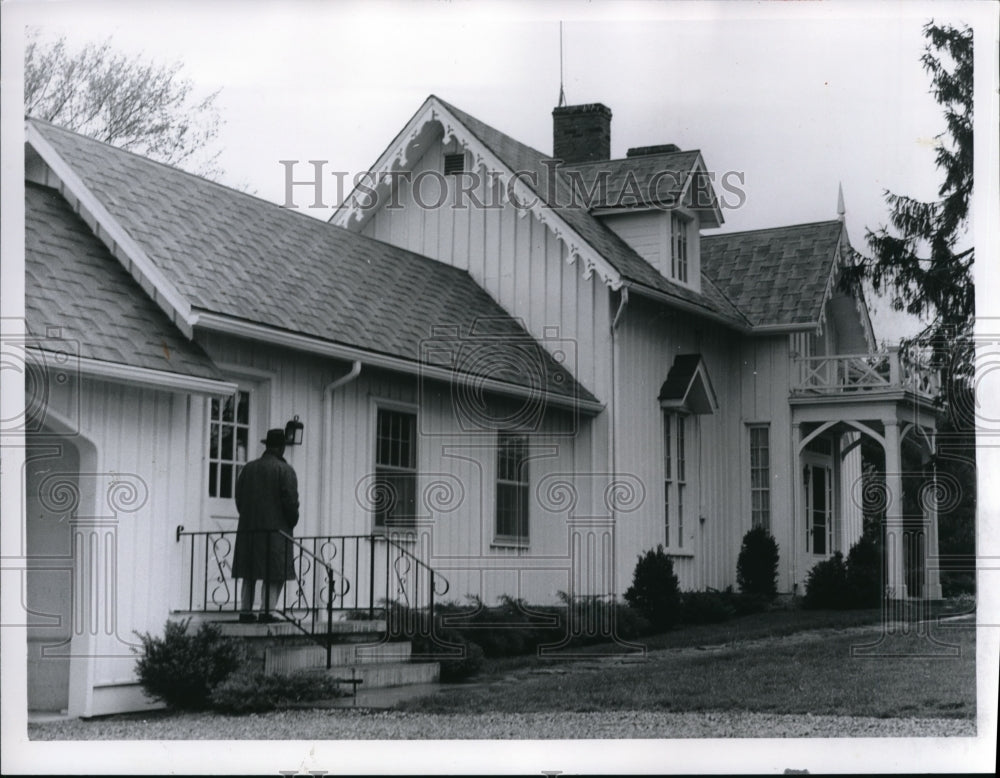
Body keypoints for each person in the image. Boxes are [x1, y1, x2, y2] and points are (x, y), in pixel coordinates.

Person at [232, 428, 299, 623]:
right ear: (282, 448)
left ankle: (245, 611)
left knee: (249, 572)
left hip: (249, 529)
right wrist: (291, 521)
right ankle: (267, 611)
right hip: (276, 531)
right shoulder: (285, 470)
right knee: (275, 573)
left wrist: (248, 518)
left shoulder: (248, 468)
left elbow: (239, 500)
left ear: (267, 446)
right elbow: (291, 504)